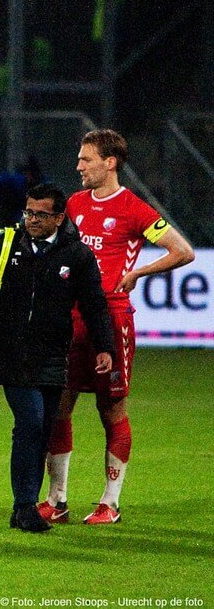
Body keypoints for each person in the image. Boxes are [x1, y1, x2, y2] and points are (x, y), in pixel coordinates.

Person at [41, 130, 194, 525]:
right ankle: (57, 499)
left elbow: (183, 251)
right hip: (69, 318)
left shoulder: (134, 209)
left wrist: (139, 271)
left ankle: (110, 503)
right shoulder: (73, 205)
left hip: (111, 320)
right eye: (79, 159)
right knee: (59, 405)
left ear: (110, 163)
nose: (78, 167)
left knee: (111, 408)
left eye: (86, 160)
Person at [0, 184, 114, 531]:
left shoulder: (77, 256)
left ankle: (21, 507)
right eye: (29, 212)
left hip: (54, 354)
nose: (33, 219)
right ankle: (25, 506)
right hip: (12, 352)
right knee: (29, 422)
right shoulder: (2, 246)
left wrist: (105, 345)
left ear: (59, 217)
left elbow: (94, 304)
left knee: (42, 428)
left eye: (41, 214)